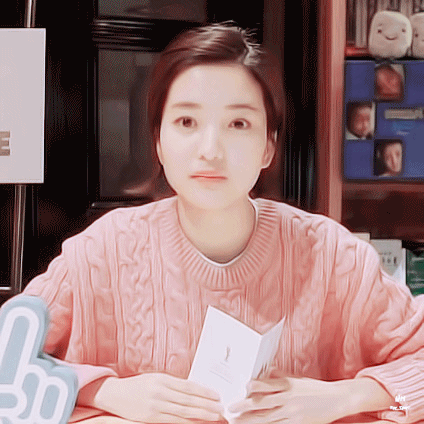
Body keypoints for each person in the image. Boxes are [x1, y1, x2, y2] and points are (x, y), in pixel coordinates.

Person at [9, 23, 424, 423]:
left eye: (238, 124)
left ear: (268, 146)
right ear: (159, 141)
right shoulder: (103, 251)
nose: (210, 150)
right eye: (186, 122)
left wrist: (343, 397)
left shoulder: (333, 256)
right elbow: (9, 359)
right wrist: (108, 391)